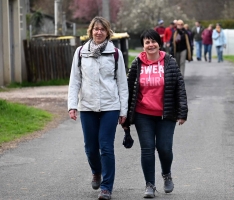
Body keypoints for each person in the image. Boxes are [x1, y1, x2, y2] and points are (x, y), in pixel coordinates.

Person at [68, 16, 128, 200]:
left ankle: (106, 187)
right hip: (87, 106)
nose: (99, 32)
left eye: (102, 29)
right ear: (91, 31)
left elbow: (122, 84)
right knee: (90, 148)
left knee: (106, 146)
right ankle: (96, 171)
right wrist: (72, 105)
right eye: (96, 29)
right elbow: (74, 81)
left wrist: (123, 110)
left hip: (110, 105)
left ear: (107, 32)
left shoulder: (115, 53)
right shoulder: (80, 52)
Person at [122, 29, 188, 198]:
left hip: (166, 114)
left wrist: (182, 112)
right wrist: (124, 114)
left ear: (159, 43)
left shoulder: (170, 62)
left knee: (164, 148)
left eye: (153, 41)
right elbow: (128, 89)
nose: (151, 45)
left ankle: (166, 174)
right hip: (143, 113)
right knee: (147, 149)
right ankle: (149, 185)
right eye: (147, 42)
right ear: (143, 46)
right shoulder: (137, 63)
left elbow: (179, 87)